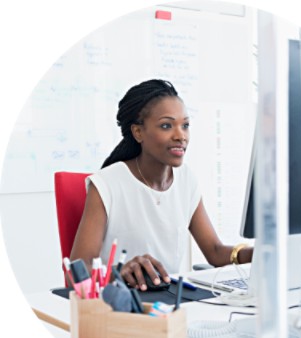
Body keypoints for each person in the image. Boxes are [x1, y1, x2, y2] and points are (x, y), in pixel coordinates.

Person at [70, 79, 253, 291]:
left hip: (170, 301)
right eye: (166, 125)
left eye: (185, 125)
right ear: (138, 132)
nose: (180, 136)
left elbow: (214, 250)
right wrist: (121, 272)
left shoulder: (186, 180)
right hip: (120, 304)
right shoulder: (107, 184)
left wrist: (258, 253)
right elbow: (79, 268)